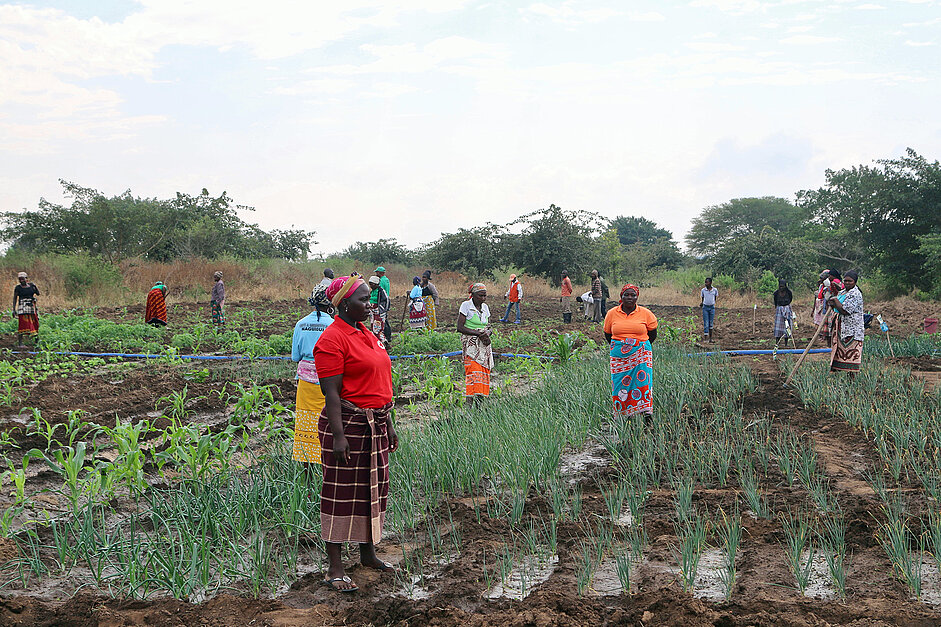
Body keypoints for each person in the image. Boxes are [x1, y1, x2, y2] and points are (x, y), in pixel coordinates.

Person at [314, 275, 398, 593]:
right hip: (347, 425)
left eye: (369, 299)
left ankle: (367, 554)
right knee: (341, 495)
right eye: (363, 300)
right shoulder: (332, 340)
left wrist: (388, 423)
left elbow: (380, 383)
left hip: (373, 424)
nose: (370, 304)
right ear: (344, 304)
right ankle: (335, 567)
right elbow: (331, 394)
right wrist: (338, 436)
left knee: (370, 491)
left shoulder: (366, 333)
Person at [291, 285, 334, 465]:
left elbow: (295, 357)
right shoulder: (333, 325)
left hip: (306, 384)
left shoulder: (300, 324)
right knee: (328, 421)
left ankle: (307, 466)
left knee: (306, 422)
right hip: (329, 381)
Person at [604, 284, 658, 417]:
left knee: (642, 382)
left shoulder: (646, 314)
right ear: (621, 296)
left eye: (633, 295)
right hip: (619, 357)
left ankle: (644, 412)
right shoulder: (612, 313)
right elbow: (608, 335)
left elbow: (652, 334)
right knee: (619, 383)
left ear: (637, 297)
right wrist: (623, 347)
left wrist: (638, 347)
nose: (629, 297)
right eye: (626, 295)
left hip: (641, 355)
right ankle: (623, 413)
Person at [457, 283, 493, 400]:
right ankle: (470, 405)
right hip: (471, 347)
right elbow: (460, 327)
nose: (483, 299)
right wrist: (478, 334)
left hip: (483, 346)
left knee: (483, 375)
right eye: (480, 296)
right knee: (473, 374)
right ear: (472, 295)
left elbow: (489, 326)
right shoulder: (466, 306)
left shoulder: (485, 308)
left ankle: (480, 405)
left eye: (485, 296)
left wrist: (487, 333)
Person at [828, 270, 864, 376]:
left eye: (850, 281)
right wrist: (833, 302)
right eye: (846, 281)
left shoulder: (856, 294)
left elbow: (845, 310)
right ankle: (839, 377)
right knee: (840, 353)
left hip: (853, 330)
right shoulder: (843, 292)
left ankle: (852, 379)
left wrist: (835, 301)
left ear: (855, 282)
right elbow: (837, 305)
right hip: (842, 328)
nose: (847, 283)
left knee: (852, 355)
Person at [12, 272, 39, 347]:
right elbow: (15, 298)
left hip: (31, 306)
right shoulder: (18, 288)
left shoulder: (31, 286)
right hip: (22, 306)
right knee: (22, 324)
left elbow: (38, 293)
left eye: (22, 279)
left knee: (35, 322)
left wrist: (35, 287)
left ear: (26, 279)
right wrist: (14, 309)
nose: (21, 281)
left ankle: (36, 340)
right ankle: (20, 343)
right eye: (19, 279)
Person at [367, 275, 392, 344]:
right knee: (373, 326)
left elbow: (386, 300)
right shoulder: (372, 291)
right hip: (373, 312)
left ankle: (383, 342)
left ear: (376, 284)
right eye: (370, 284)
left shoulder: (381, 291)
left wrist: (382, 309)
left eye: (371, 284)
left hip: (379, 312)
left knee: (378, 328)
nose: (370, 286)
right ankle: (378, 341)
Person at [773, 279, 794, 347]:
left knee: (787, 326)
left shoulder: (789, 293)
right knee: (778, 327)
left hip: (787, 309)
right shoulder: (776, 293)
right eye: (780, 286)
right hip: (779, 310)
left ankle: (786, 343)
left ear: (785, 286)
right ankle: (777, 343)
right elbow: (775, 301)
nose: (781, 288)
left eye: (782, 286)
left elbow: (790, 299)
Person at [700, 277, 718, 342]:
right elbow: (702, 298)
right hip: (705, 307)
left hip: (712, 307)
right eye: (705, 282)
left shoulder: (715, 290)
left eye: (707, 282)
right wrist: (702, 304)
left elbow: (715, 298)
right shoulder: (703, 290)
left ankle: (710, 338)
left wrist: (712, 303)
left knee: (711, 323)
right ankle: (706, 339)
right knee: (706, 323)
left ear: (710, 283)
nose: (705, 284)